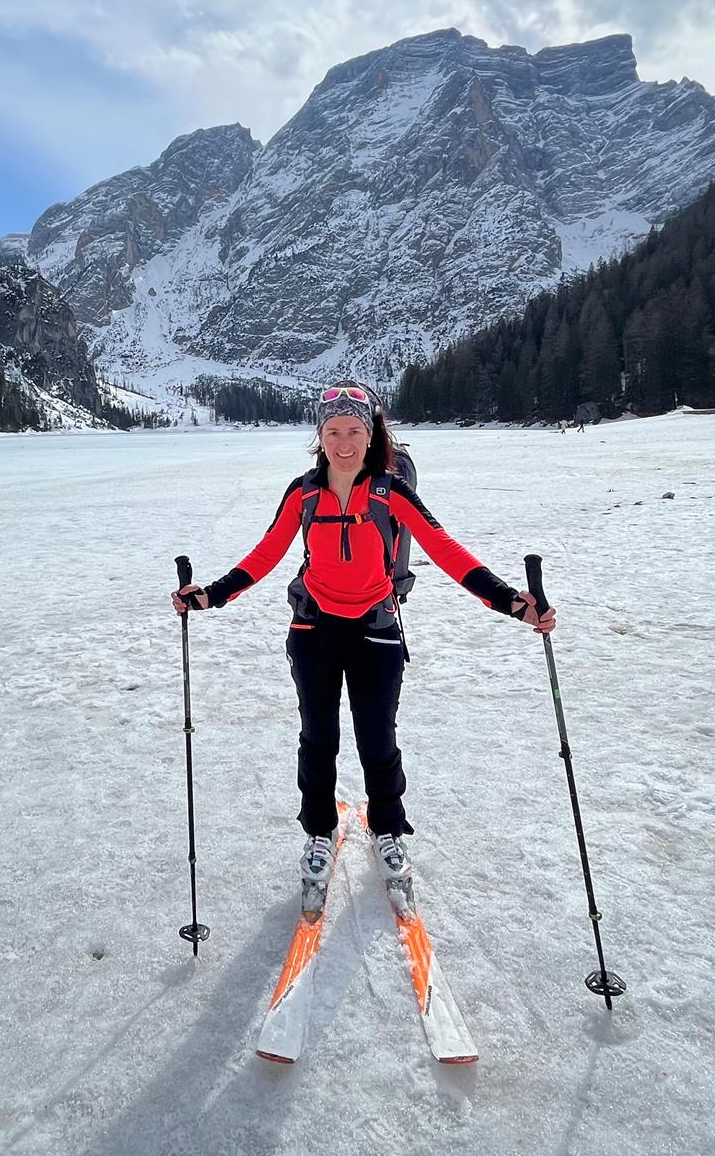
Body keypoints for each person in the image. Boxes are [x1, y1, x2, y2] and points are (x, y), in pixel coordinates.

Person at [170, 381, 553, 899]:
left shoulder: (391, 492)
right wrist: (210, 595)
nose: (344, 442)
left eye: (354, 430)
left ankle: (388, 829)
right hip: (314, 630)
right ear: (320, 436)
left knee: (377, 740)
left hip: (376, 629)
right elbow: (266, 553)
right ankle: (319, 832)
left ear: (371, 434)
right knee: (318, 739)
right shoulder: (304, 493)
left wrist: (510, 602)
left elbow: (446, 550)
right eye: (333, 432)